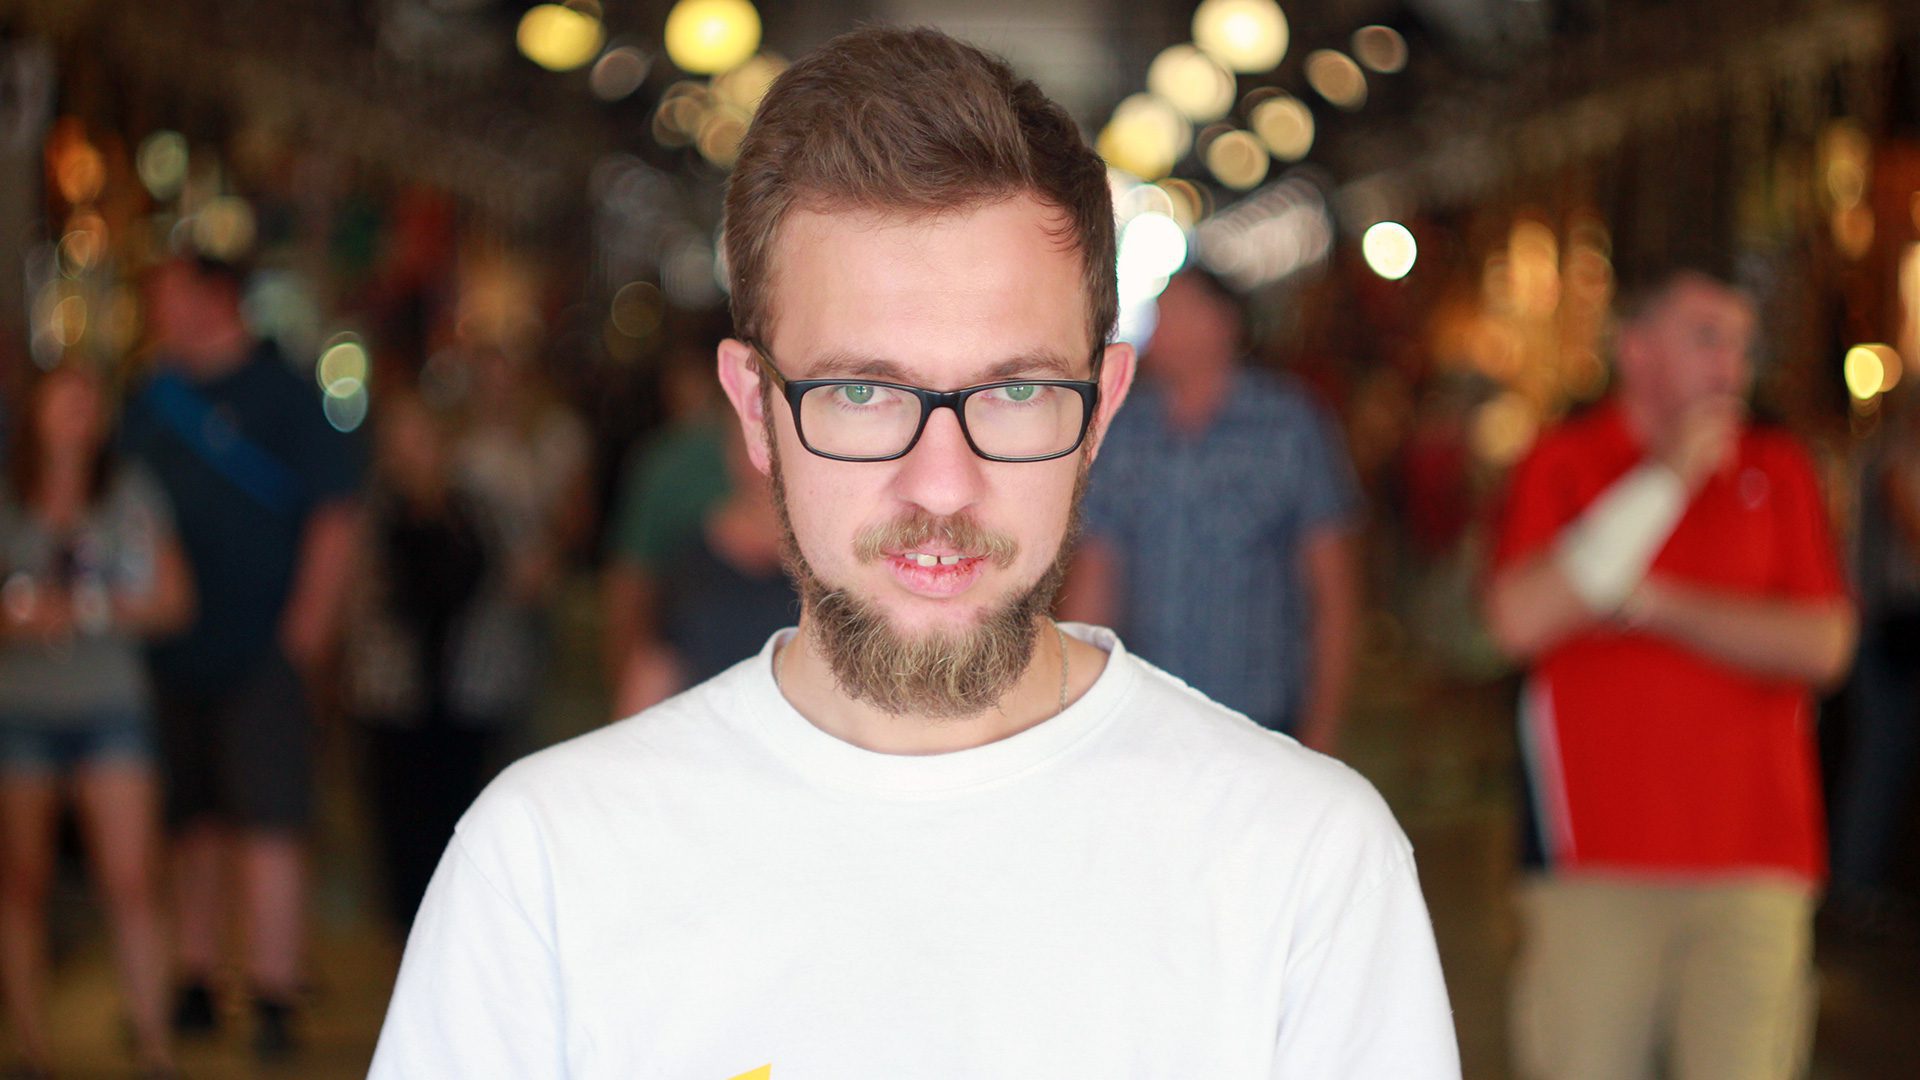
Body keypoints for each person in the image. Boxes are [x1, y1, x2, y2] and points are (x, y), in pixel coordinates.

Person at [371, 27, 1458, 1077]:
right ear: (753, 409)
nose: (942, 484)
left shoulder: (1304, 868)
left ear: (1102, 406)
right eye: (861, 392)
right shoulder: (549, 870)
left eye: (1017, 391)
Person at [1483, 268, 1857, 1080]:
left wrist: (1651, 604)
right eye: (1707, 339)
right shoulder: (1565, 461)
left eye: (1744, 346)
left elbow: (1823, 645)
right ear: (1636, 350)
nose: (1732, 366)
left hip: (1758, 860)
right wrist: (1668, 482)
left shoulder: (1778, 467)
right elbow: (1520, 620)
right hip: (1593, 860)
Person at [120, 255, 362, 1058]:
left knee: (269, 819)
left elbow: (335, 514)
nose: (160, 312)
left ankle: (272, 992)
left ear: (217, 298)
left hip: (263, 647)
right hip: (168, 649)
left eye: (171, 296)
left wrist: (305, 631)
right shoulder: (151, 397)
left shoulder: (283, 393)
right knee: (190, 822)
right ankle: (195, 977)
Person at [1061, 268, 1362, 752]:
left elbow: (1333, 587)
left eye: (1176, 313)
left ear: (1222, 323)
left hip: (1263, 722)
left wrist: (1322, 729)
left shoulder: (1287, 425)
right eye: (1159, 314)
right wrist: (1074, 707)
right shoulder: (1126, 428)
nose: (1159, 329)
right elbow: (1098, 571)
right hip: (1148, 722)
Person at [0, 365, 193, 1078]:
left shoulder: (129, 492)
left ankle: (154, 1046)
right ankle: (31, 1048)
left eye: (90, 403)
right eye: (66, 401)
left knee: (131, 877)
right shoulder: (9, 499)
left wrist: (90, 609)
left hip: (111, 702)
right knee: (23, 879)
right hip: (22, 708)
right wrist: (22, 617)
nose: (80, 414)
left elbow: (174, 600)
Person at [340, 386, 508, 938]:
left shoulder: (476, 511)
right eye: (398, 441)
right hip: (393, 700)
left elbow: (513, 582)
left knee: (467, 827)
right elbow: (358, 602)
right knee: (401, 837)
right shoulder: (373, 514)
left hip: (468, 695)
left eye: (419, 438)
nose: (409, 453)